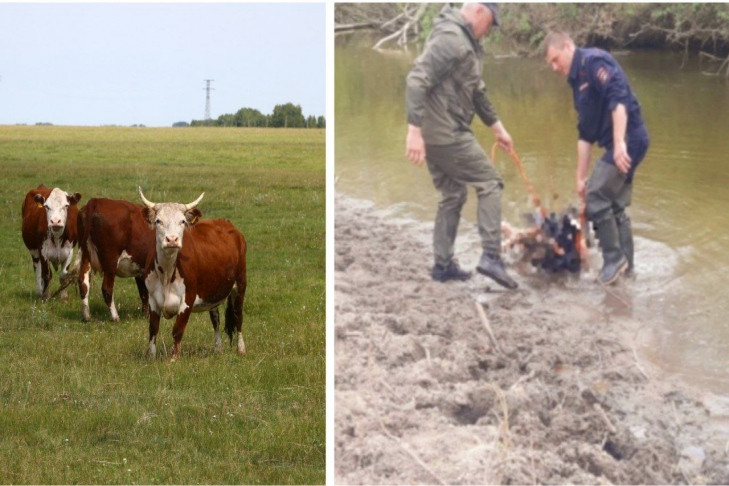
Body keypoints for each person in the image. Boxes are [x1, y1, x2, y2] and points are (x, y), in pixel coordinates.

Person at [405, 2, 518, 290]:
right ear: (479, 11)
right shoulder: (452, 39)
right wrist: (413, 131)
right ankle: (492, 256)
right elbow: (417, 78)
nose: (489, 31)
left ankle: (443, 266)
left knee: (453, 194)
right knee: (491, 182)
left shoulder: (465, 40)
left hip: (439, 131)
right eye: (490, 23)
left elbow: (477, 90)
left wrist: (499, 129)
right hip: (446, 132)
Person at [543, 31, 650, 284]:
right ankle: (627, 268)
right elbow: (585, 135)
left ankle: (614, 260)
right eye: (551, 65)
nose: (555, 67)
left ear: (568, 46)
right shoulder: (576, 84)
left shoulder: (593, 62)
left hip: (630, 140)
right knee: (613, 206)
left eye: (556, 59)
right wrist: (579, 178)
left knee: (596, 197)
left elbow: (618, 98)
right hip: (621, 143)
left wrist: (621, 142)